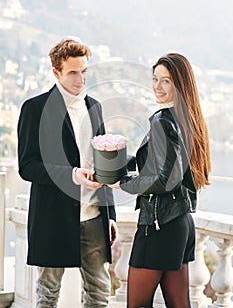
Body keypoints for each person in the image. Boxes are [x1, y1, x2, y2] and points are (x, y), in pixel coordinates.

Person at [17, 37, 118, 307]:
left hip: (95, 217)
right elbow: (28, 166)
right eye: (73, 72)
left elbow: (105, 164)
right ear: (56, 73)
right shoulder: (35, 109)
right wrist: (72, 174)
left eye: (84, 71)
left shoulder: (95, 108)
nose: (80, 78)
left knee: (99, 294)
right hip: (53, 215)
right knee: (48, 293)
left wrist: (110, 215)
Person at [109, 53, 211, 308]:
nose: (157, 86)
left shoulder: (162, 120)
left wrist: (123, 183)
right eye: (155, 79)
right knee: (180, 305)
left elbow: (165, 180)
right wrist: (123, 161)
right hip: (181, 224)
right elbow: (164, 164)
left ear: (180, 84)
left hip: (158, 225)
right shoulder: (188, 119)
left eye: (165, 81)